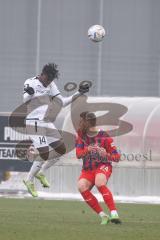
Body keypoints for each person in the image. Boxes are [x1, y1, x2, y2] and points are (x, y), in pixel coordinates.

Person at [23, 62, 89, 197]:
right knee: (44, 152)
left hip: (46, 122)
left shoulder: (51, 85)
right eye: (48, 80)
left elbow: (62, 102)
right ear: (42, 75)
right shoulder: (31, 82)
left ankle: (41, 173)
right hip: (34, 123)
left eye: (51, 80)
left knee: (60, 150)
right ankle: (28, 180)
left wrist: (79, 93)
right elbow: (25, 100)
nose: (49, 83)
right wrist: (29, 94)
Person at [76, 111, 121, 225]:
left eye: (82, 121)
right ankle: (103, 216)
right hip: (88, 169)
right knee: (81, 186)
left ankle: (114, 213)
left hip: (103, 166)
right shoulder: (81, 135)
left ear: (89, 122)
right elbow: (78, 154)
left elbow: (117, 157)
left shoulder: (104, 136)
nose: (80, 123)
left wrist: (106, 155)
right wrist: (87, 150)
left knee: (99, 182)